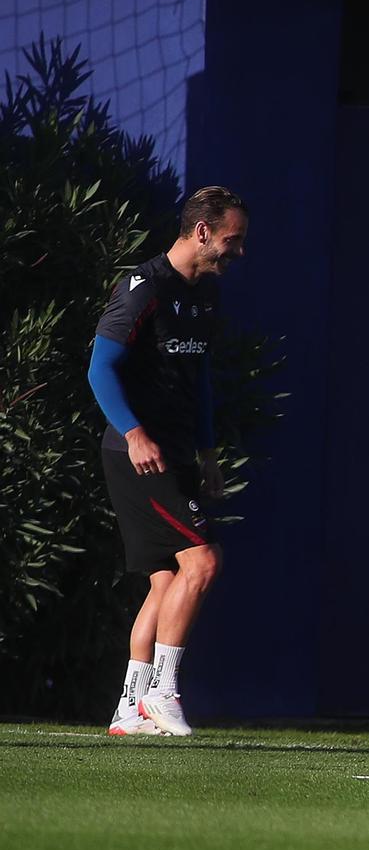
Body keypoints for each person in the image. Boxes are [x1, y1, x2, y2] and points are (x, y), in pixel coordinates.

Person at [88, 186, 248, 737]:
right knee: (202, 562)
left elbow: (198, 378)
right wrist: (133, 433)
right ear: (202, 231)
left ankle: (129, 708)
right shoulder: (142, 288)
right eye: (233, 239)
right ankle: (163, 691)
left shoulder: (204, 295)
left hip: (177, 454)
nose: (239, 251)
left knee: (166, 581)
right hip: (138, 456)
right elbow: (99, 368)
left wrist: (207, 453)